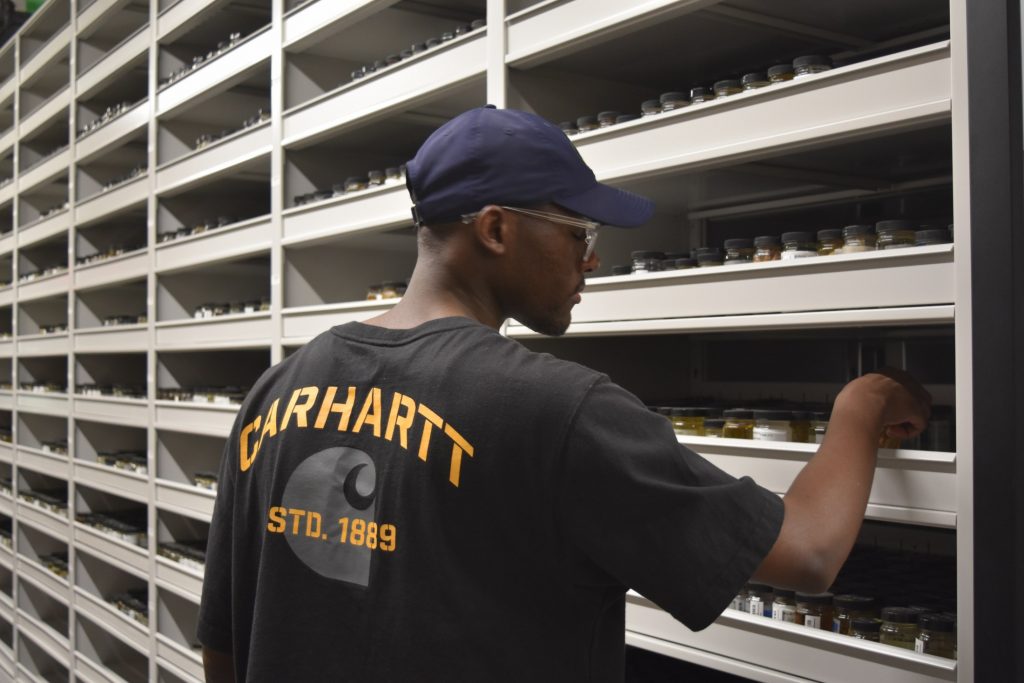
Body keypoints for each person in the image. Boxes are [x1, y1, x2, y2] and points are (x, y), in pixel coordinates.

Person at [198, 105, 931, 682]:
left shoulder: (278, 390)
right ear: (494, 229)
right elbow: (807, 552)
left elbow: (226, 645)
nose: (593, 256)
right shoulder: (555, 410)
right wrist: (862, 403)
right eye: (577, 232)